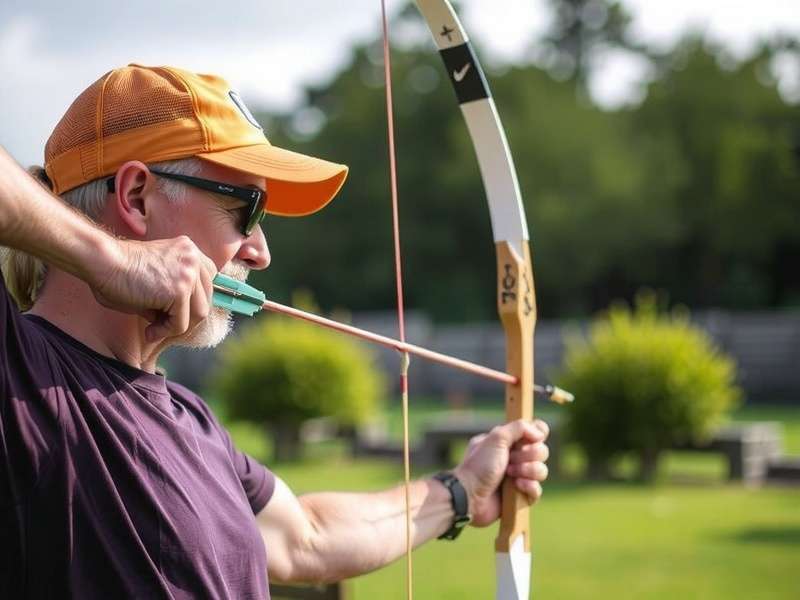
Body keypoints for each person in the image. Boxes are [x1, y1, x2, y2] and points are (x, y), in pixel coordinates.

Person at [0, 64, 550, 599]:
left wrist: (460, 490)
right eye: (246, 210)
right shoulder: (18, 377)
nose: (260, 253)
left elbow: (306, 538)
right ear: (137, 197)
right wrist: (111, 259)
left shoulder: (192, 420)